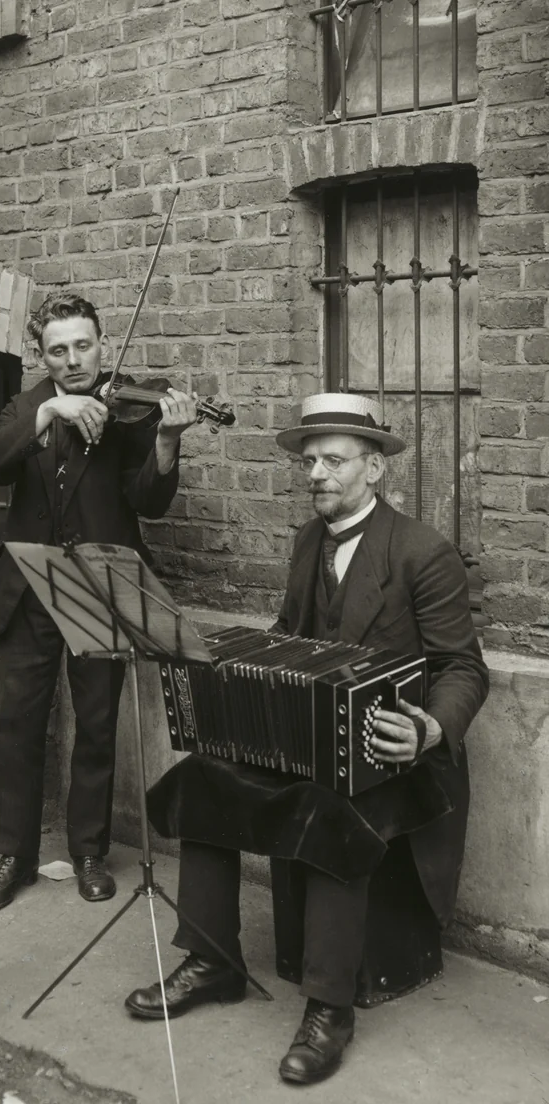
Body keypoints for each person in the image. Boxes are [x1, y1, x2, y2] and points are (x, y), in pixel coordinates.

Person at [125, 391, 489, 1085]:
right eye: (309, 461)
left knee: (333, 805)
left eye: (333, 461)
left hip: (396, 757)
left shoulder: (422, 552)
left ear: (375, 469)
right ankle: (212, 960)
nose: (316, 474)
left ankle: (330, 1008)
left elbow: (462, 667)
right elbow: (293, 637)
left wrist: (429, 726)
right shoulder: (306, 541)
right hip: (317, 742)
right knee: (206, 773)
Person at [0, 293, 197, 912]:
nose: (75, 360)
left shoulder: (129, 408)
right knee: (19, 723)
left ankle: (89, 851)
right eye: (58, 350)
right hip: (29, 592)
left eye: (85, 345)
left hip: (101, 588)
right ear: (40, 355)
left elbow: (148, 501)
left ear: (103, 341)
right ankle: (13, 856)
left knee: (96, 726)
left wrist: (167, 441)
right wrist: (48, 413)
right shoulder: (25, 405)